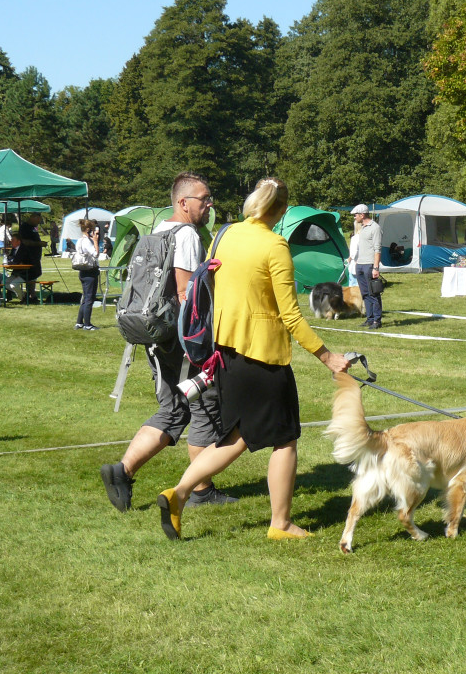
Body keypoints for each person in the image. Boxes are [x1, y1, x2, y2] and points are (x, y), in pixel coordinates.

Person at [155, 176, 351, 542]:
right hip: (264, 358)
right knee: (285, 438)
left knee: (238, 436)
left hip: (226, 353)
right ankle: (281, 523)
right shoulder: (275, 245)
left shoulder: (224, 235)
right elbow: (291, 315)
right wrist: (328, 356)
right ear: (280, 210)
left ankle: (178, 493)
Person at [101, 172, 237, 514]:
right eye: (204, 199)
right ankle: (201, 490)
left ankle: (123, 471)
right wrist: (204, 343)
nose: (209, 205)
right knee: (205, 402)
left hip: (153, 334)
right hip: (181, 339)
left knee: (174, 408)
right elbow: (186, 294)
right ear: (183, 203)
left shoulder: (156, 231)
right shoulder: (187, 235)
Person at [351, 203, 383, 329]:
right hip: (360, 264)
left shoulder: (375, 228)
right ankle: (369, 319)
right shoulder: (362, 227)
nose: (354, 217)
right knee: (365, 293)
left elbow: (377, 249)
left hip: (369, 265)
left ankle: (377, 320)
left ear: (362, 215)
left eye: (355, 215)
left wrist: (376, 267)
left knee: (373, 293)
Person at [74, 219, 100, 331]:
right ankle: (87, 324)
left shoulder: (79, 240)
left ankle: (79, 322)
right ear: (88, 230)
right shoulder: (87, 241)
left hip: (82, 271)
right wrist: (95, 241)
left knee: (85, 298)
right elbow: (96, 254)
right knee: (90, 298)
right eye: (93, 230)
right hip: (90, 272)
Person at [14, 213, 45, 301]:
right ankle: (29, 295)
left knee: (34, 275)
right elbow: (24, 242)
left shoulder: (33, 227)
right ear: (33, 218)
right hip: (28, 256)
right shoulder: (25, 227)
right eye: (38, 220)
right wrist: (39, 244)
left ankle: (32, 295)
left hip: (35, 256)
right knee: (30, 275)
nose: (38, 223)